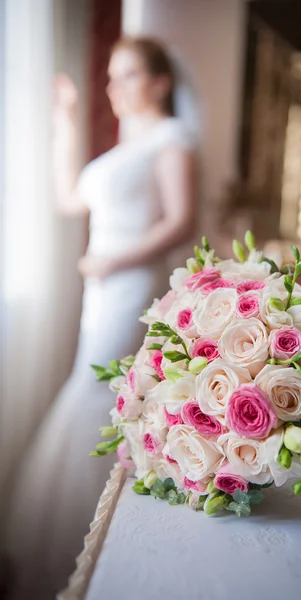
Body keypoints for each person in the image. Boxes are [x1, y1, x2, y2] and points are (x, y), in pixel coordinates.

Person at [6, 36, 197, 600]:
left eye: (128, 75)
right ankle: (76, 540)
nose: (114, 87)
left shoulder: (171, 138)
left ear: (159, 82)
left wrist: (114, 259)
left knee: (105, 396)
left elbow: (181, 222)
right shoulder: (124, 148)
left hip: (129, 284)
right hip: (103, 289)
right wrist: (64, 119)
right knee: (92, 390)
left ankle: (112, 541)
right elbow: (70, 198)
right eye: (111, 77)